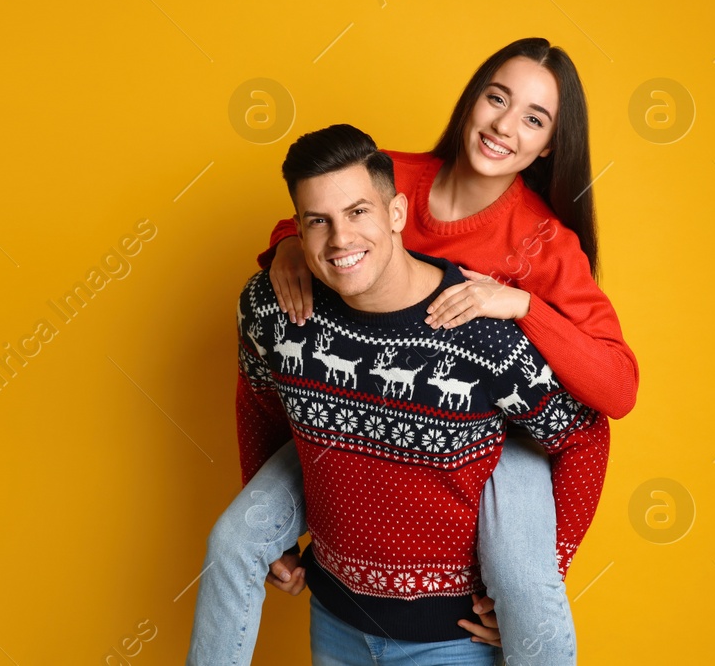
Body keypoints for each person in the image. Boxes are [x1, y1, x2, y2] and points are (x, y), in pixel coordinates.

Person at [188, 39, 636, 665]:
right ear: (471, 100)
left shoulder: (544, 244)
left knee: (523, 585)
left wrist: (525, 307)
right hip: (364, 421)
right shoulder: (393, 174)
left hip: (492, 441)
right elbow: (330, 218)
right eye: (497, 98)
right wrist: (286, 245)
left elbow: (616, 391)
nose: (506, 126)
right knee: (234, 538)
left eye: (534, 119)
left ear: (550, 145)